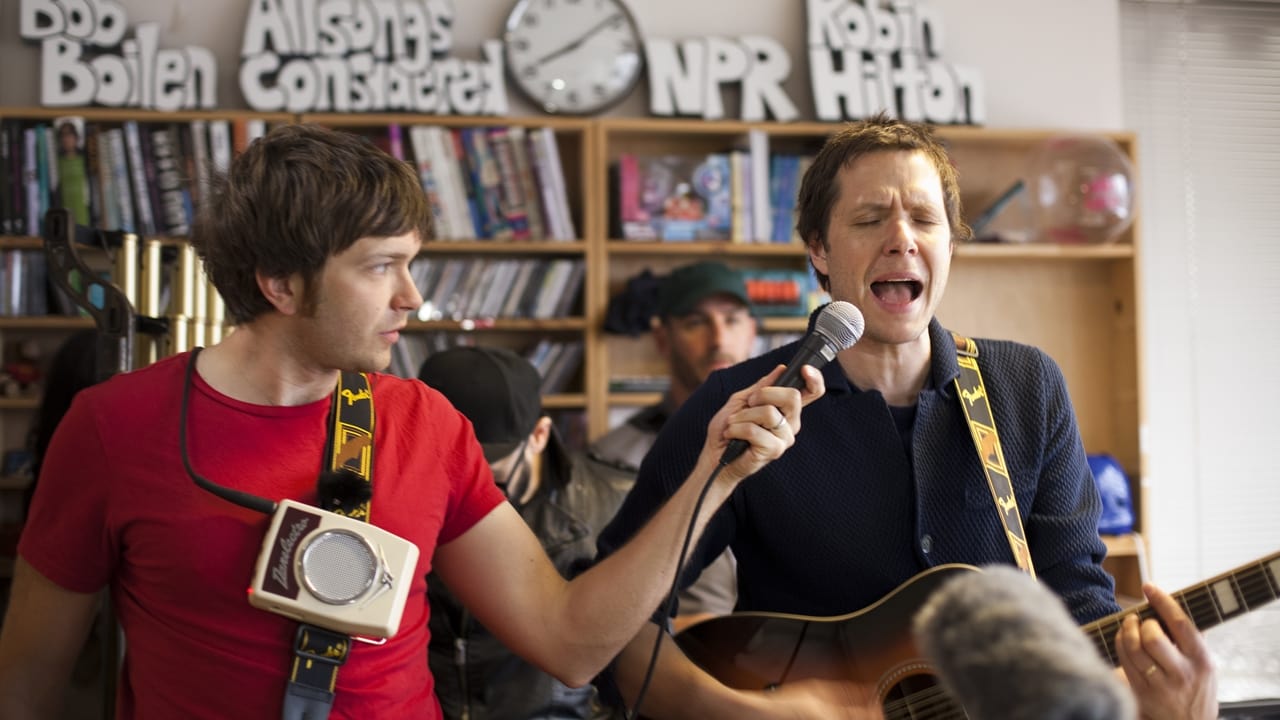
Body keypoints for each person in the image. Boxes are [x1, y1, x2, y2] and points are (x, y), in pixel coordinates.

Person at [0, 123, 824, 720]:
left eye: (412, 265)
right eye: (382, 268)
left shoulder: (426, 422)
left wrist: (716, 472)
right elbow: (29, 676)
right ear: (281, 284)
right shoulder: (112, 427)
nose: (412, 298)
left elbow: (569, 642)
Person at [594, 113, 1219, 719]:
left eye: (925, 218)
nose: (902, 238)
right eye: (869, 219)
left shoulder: (1028, 387)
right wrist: (736, 714)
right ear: (819, 248)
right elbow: (612, 625)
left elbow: (1077, 605)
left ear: (949, 244)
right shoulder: (743, 403)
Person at [418, 346, 622, 720]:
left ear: (540, 435)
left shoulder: (613, 511)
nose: (464, 488)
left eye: (486, 468)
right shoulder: (402, 493)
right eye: (450, 466)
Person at [587, 261, 758, 628]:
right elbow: (602, 597)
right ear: (663, 339)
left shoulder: (791, 438)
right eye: (696, 323)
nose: (718, 340)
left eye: (732, 320)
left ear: (752, 331)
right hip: (669, 655)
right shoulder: (613, 457)